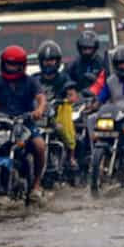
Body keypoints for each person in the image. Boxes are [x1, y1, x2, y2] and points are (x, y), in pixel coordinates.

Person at [0, 46, 47, 200]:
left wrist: (39, 110)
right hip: (1, 123)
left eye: (15, 65)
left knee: (39, 146)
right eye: (8, 64)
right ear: (3, 64)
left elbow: (41, 97)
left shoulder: (30, 81)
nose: (11, 68)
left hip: (24, 123)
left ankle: (37, 183)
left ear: (22, 65)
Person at [34, 40, 80, 170]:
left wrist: (69, 98)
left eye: (52, 60)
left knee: (64, 128)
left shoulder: (64, 78)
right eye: (45, 60)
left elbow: (73, 94)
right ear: (41, 61)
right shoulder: (35, 79)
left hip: (57, 115)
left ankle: (71, 156)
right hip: (38, 116)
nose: (48, 63)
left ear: (57, 61)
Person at [65, 30, 106, 95]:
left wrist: (95, 80)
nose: (87, 52)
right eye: (84, 48)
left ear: (95, 48)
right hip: (78, 98)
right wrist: (71, 86)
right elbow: (66, 77)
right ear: (80, 48)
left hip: (98, 97)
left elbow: (108, 83)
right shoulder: (74, 63)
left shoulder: (102, 63)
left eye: (89, 48)